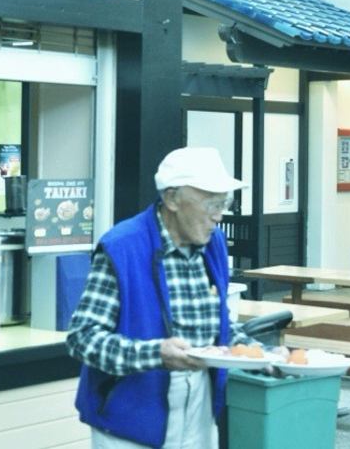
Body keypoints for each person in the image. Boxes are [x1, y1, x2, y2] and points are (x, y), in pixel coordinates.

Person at [67, 146, 258, 449]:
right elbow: (83, 339)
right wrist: (156, 354)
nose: (219, 215)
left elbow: (219, 324)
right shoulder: (122, 247)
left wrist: (258, 352)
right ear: (171, 199)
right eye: (211, 202)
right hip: (130, 420)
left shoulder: (213, 244)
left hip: (200, 409)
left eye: (225, 202)